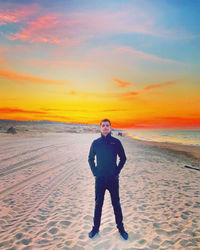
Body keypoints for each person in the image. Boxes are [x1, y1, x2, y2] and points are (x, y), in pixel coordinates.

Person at [88, 118, 128, 240]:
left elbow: (123, 158)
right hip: (100, 179)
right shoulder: (95, 143)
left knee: (116, 203)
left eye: (107, 125)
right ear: (100, 128)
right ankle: (95, 228)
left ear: (110, 128)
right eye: (103, 125)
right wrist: (95, 172)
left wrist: (116, 171)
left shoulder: (116, 142)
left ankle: (121, 229)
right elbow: (90, 159)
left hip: (112, 179)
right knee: (98, 204)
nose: (105, 127)